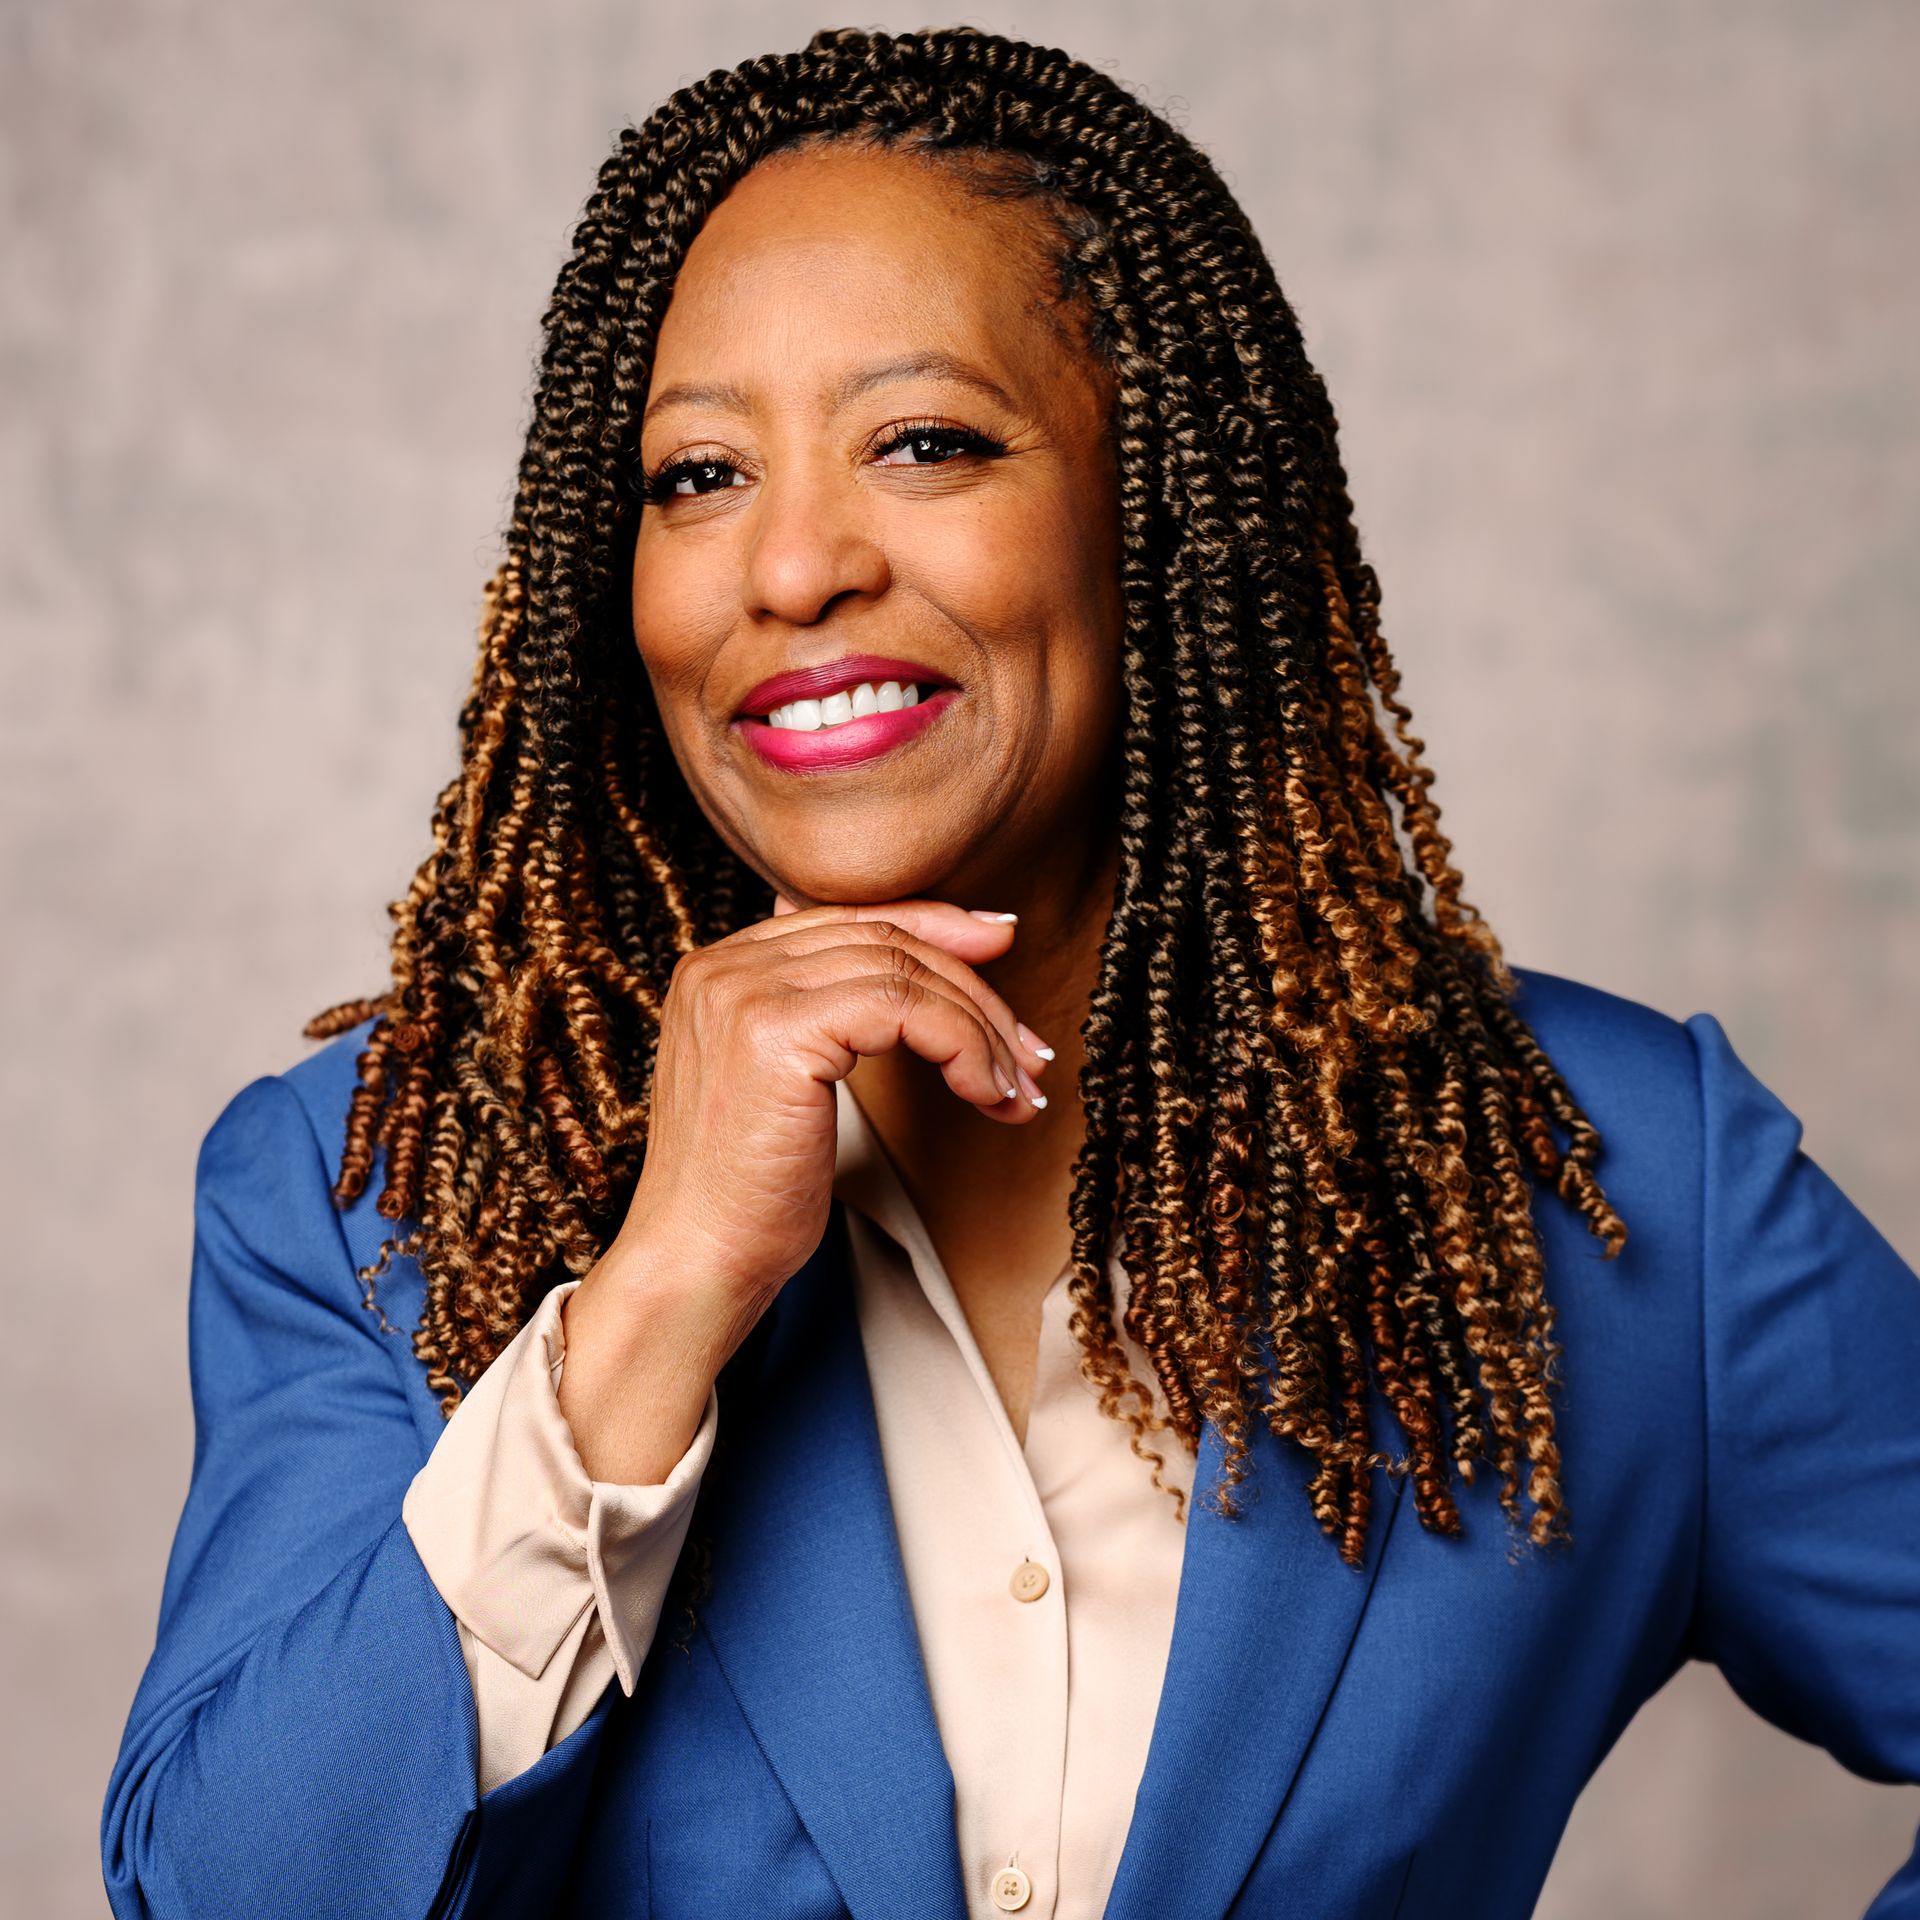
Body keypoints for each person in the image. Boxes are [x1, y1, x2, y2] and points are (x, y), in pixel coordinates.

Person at [101, 25, 1920, 1920]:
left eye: (926, 442)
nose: (790, 566)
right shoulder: (363, 1191)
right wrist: (654, 1306)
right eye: (699, 473)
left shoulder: (1604, 1183)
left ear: (1159, 514)